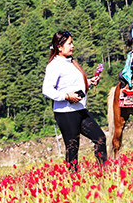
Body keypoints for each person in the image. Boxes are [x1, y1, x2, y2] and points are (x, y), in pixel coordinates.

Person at [42, 30, 107, 171]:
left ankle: (104, 172)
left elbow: (74, 84)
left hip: (79, 109)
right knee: (72, 147)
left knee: (100, 138)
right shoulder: (54, 65)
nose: (73, 46)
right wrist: (66, 96)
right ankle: (73, 181)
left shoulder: (72, 62)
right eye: (69, 43)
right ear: (59, 47)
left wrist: (89, 82)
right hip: (65, 113)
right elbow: (47, 90)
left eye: (72, 43)